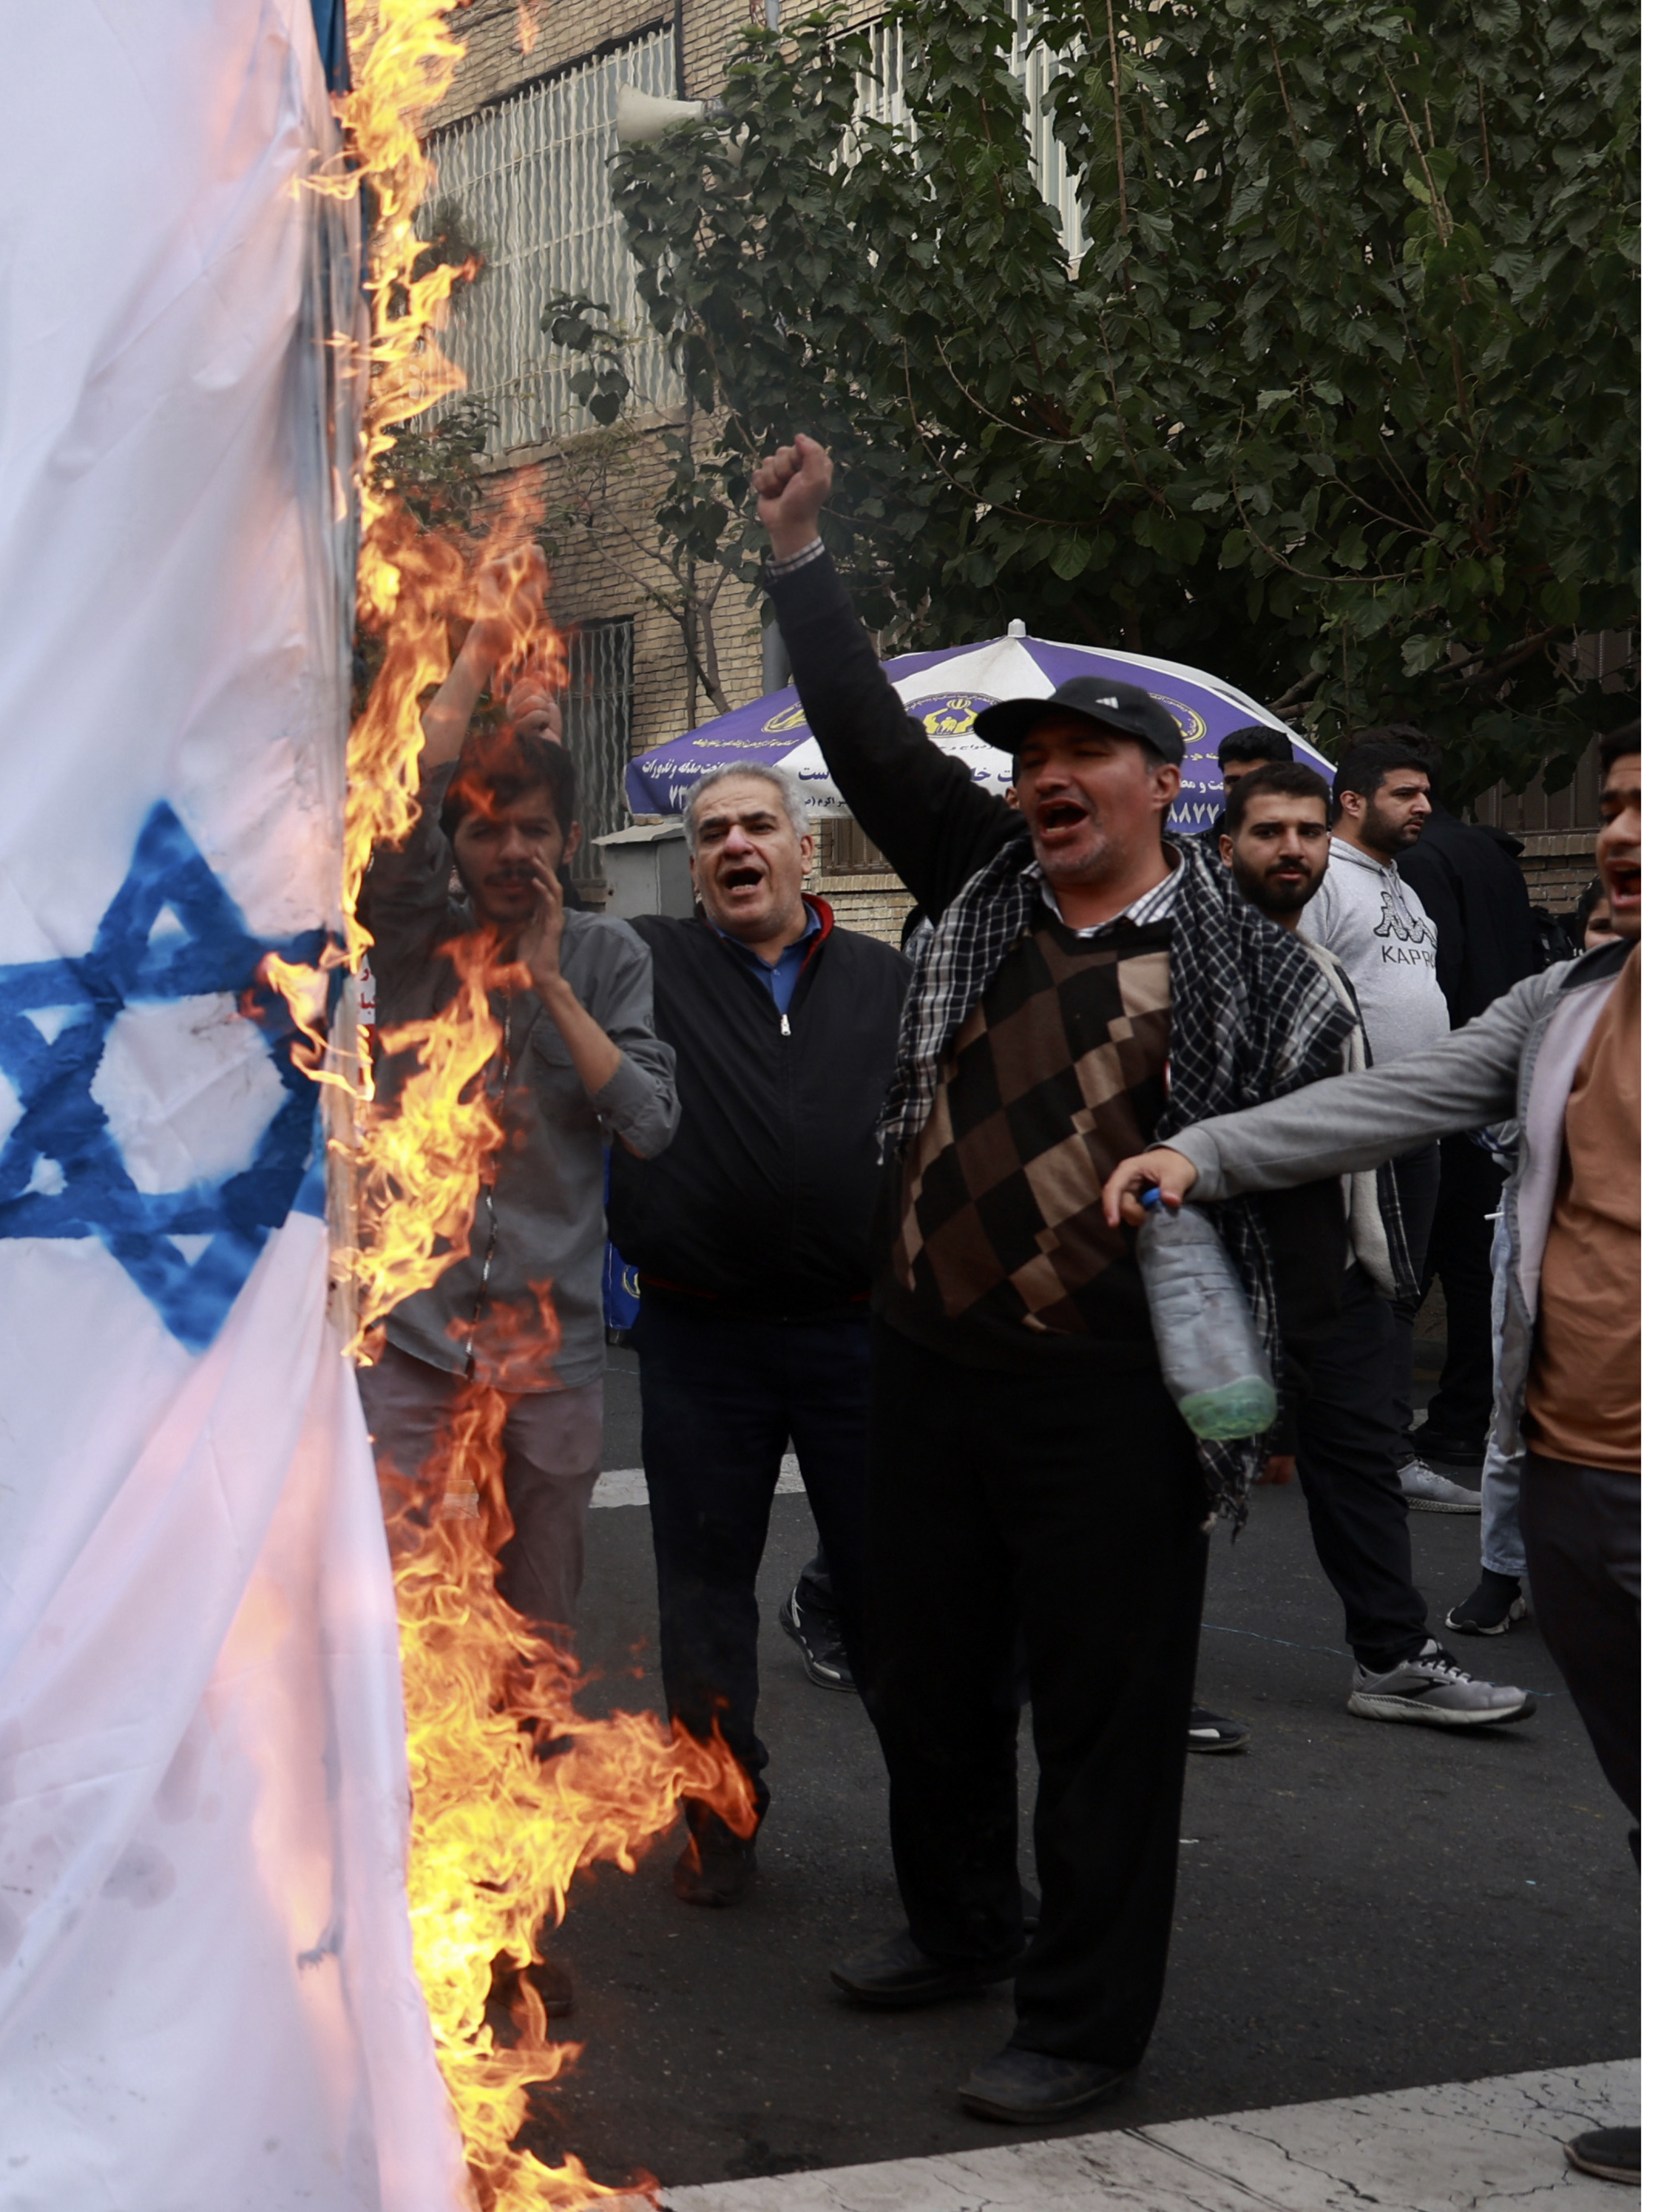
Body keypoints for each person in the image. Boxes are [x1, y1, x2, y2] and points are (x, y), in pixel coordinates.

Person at [754, 435, 1354, 2127]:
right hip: (927, 1362)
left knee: (1102, 1719)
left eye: (1084, 755)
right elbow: (870, 745)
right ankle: (958, 1925)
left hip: (1112, 1402)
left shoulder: (1255, 970)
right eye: (1030, 760)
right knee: (921, 1670)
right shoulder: (980, 889)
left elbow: (1307, 1189)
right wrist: (801, 558)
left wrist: (1282, 1396)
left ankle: (1081, 2025)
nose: (1046, 780)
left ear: (1158, 787)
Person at [1108, 730, 1640, 2182]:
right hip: (1576, 1475)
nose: (1618, 834)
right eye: (1609, 805)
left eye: (1649, 807)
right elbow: (1403, 1095)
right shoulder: (1575, 999)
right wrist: (1205, 1153)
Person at [356, 626, 679, 1653]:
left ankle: (529, 1790)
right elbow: (402, 799)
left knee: (538, 1625)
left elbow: (649, 1122)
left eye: (534, 830)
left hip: (552, 1352)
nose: (512, 853)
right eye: (487, 830)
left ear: (568, 840)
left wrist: (548, 978)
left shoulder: (609, 953)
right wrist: (479, 652)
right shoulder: (415, 942)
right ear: (459, 844)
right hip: (412, 1341)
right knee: (389, 1612)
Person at [611, 761, 900, 1906]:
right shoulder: (650, 963)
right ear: (693, 865)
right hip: (700, 1337)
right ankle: (722, 1813)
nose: (738, 844)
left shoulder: (885, 976)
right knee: (701, 1595)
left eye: (759, 826)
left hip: (860, 1339)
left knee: (898, 1598)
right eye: (714, 831)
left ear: (805, 848)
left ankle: (949, 1851)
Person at [1207, 765, 1526, 1725]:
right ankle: (1130, 1672)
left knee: (1360, 1452)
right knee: (1165, 1482)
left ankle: (1391, 1656)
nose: (1293, 849)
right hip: (1220, 1271)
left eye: (1308, 832)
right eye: (1270, 832)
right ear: (1230, 849)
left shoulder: (1329, 969)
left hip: (1339, 1261)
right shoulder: (1189, 964)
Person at [1452, 882, 1628, 1640]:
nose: (1619, 941)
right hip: (1537, 1240)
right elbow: (1478, 1109)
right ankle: (1503, 1570)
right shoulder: (1551, 1016)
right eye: (1601, 926)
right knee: (1514, 1405)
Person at [1393, 732, 1560, 1485]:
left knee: (1412, 1263)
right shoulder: (1493, 853)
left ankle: (1405, 1417)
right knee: (1472, 1263)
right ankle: (1463, 1417)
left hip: (1453, 1077)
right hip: (1503, 1073)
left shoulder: (1422, 861)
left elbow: (1439, 972)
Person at [1315, 731, 1466, 1509]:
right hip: (1360, 1121)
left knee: (1400, 1289)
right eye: (1406, 792)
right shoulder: (1322, 879)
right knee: (1370, 1288)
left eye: (1426, 793)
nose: (1424, 806)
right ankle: (1379, 1452)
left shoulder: (1402, 884)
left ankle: (1378, 1443)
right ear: (1352, 799)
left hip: (1419, 1123)